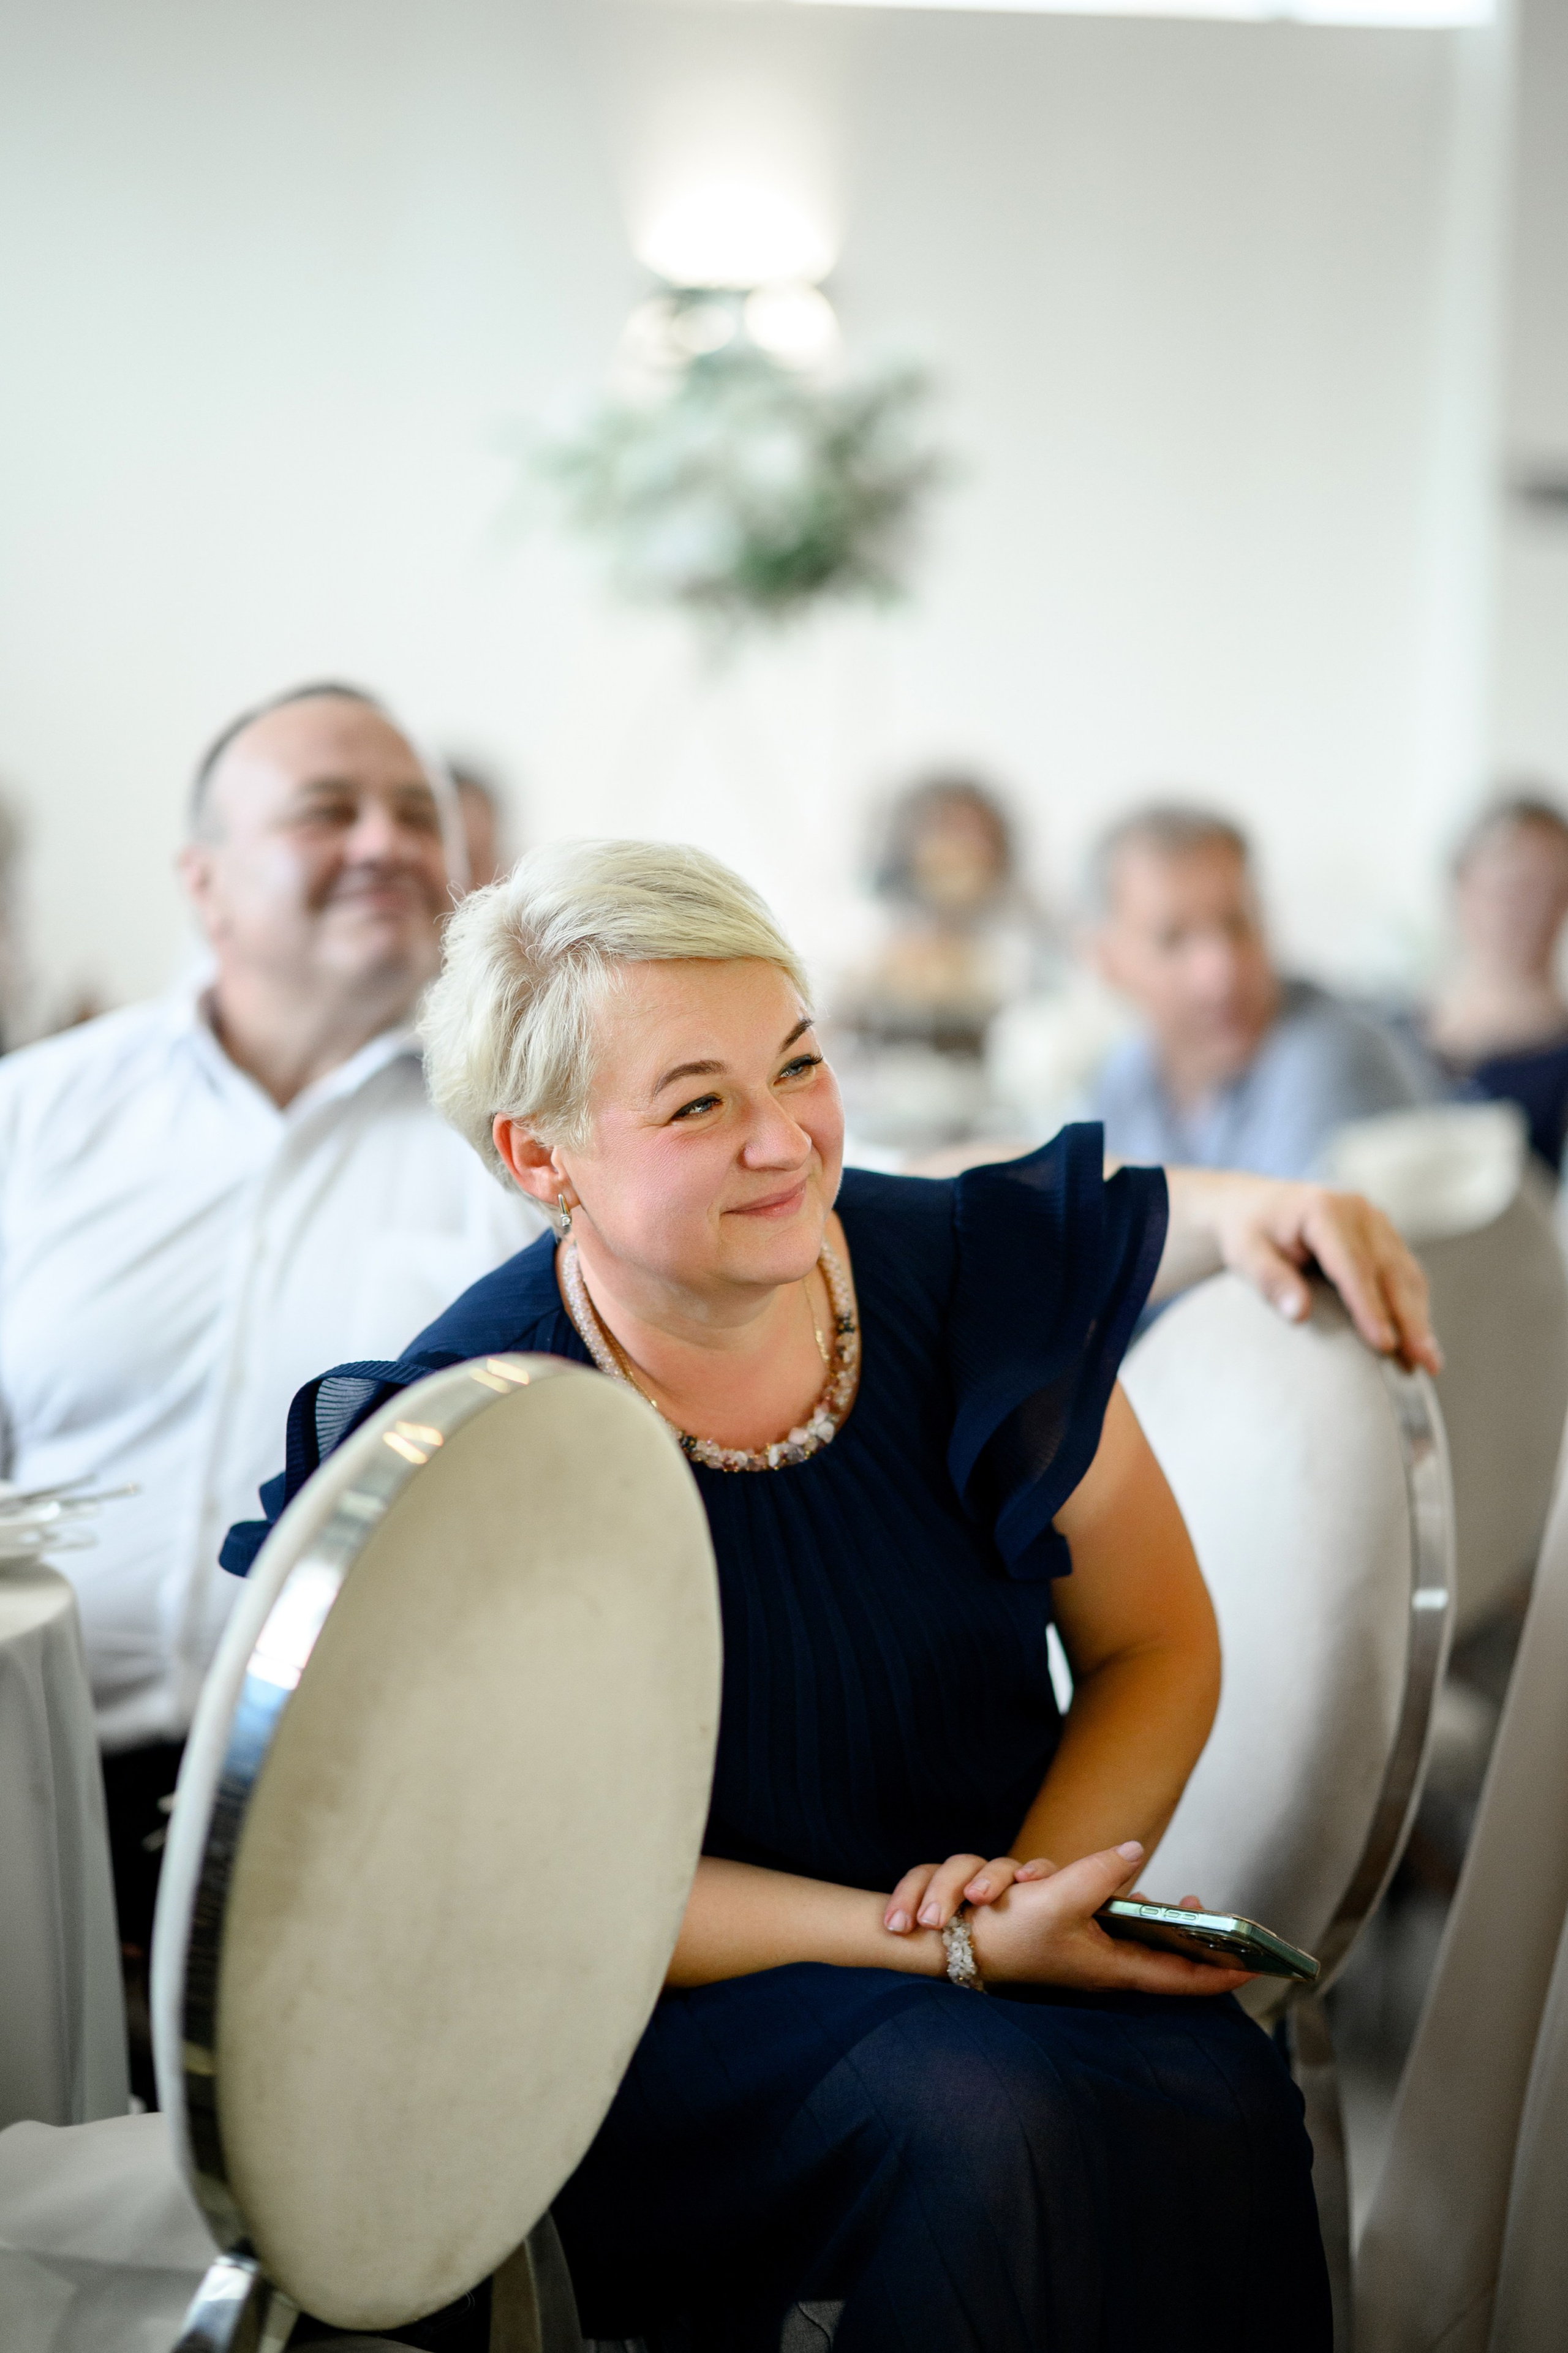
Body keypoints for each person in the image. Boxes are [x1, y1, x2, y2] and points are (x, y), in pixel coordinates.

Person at [227, 840, 1438, 2351]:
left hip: (992, 1912)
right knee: (986, 2115)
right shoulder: (485, 1429)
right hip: (649, 1998)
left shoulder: (966, 1282)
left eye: (795, 1062)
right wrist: (931, 1944)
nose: (783, 1139)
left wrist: (1020, 1898)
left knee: (1202, 2084)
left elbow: (1149, 1638)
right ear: (540, 1157)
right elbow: (533, 1879)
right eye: (696, 1102)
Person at [0, 682, 542, 2081]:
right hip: (28, 1781)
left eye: (417, 813)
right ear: (205, 883)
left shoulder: (526, 1137)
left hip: (378, 1820)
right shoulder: (36, 1118)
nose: (386, 841)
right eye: (327, 809)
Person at [1087, 804, 1430, 1177]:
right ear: (1107, 961)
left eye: (1237, 924)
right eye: (1174, 941)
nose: (1221, 974)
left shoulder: (1334, 1055)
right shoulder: (1124, 1073)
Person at [1422, 793, 1568, 1171]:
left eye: (1546, 889)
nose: (1525, 910)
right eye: (1509, 887)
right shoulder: (1393, 1029)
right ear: (1462, 888)